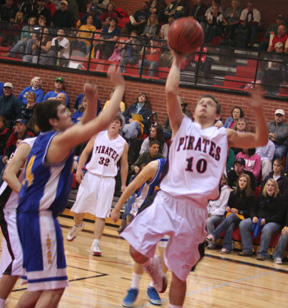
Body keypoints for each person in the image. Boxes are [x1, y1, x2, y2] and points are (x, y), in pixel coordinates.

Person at [120, 49, 268, 308]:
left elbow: (261, 140)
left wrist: (257, 110)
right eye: (201, 101)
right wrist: (176, 61)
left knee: (180, 272)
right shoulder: (182, 124)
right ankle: (154, 273)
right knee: (136, 249)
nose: (203, 104)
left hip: (195, 209)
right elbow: (170, 92)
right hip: (167, 199)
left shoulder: (225, 135)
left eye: (209, 104)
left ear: (216, 115)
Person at [15, 66, 125, 308]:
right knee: (54, 288)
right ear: (54, 121)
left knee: (40, 287)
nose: (71, 113)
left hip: (30, 215)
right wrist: (119, 87)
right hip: (38, 218)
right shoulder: (60, 140)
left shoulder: (46, 138)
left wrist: (93, 98)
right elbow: (102, 122)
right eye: (65, 111)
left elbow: (87, 120)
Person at [66, 114, 128, 256]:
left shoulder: (123, 143)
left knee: (101, 213)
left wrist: (123, 183)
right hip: (91, 175)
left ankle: (96, 243)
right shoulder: (98, 135)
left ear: (120, 126)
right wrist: (80, 169)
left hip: (108, 179)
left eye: (117, 122)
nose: (114, 124)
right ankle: (78, 225)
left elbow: (124, 164)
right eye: (112, 121)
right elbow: (85, 152)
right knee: (78, 208)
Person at [111, 158, 167, 307]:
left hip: (168, 218)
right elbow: (132, 186)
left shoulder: (185, 171)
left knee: (168, 258)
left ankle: (152, 287)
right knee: (141, 253)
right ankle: (134, 288)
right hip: (146, 214)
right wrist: (117, 208)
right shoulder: (155, 166)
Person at [0, 137, 36, 308]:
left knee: (14, 257)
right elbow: (8, 174)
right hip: (10, 207)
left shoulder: (57, 149)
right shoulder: (29, 145)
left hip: (26, 211)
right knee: (20, 258)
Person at [238, 179, 286, 260]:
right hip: (259, 219)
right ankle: (247, 249)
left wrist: (266, 220)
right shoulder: (261, 196)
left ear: (276, 188)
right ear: (265, 187)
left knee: (267, 229)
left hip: (274, 222)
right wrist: (254, 217)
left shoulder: (280, 199)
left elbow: (279, 216)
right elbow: (253, 209)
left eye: (272, 185)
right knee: (243, 224)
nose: (270, 187)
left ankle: (262, 253)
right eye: (268, 185)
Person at [206, 174, 254, 253]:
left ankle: (214, 234)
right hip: (231, 216)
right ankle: (227, 246)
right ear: (238, 182)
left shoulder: (251, 195)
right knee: (230, 222)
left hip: (243, 217)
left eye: (244, 181)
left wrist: (238, 211)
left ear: (247, 183)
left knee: (231, 217)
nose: (242, 182)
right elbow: (228, 206)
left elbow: (250, 212)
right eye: (241, 180)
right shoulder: (233, 193)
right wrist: (228, 208)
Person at [206, 173, 230, 249]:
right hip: (210, 212)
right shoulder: (211, 189)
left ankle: (212, 242)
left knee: (209, 221)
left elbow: (222, 209)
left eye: (222, 179)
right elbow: (207, 203)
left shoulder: (226, 191)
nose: (220, 181)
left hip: (220, 215)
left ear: (225, 181)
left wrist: (212, 213)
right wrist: (206, 212)